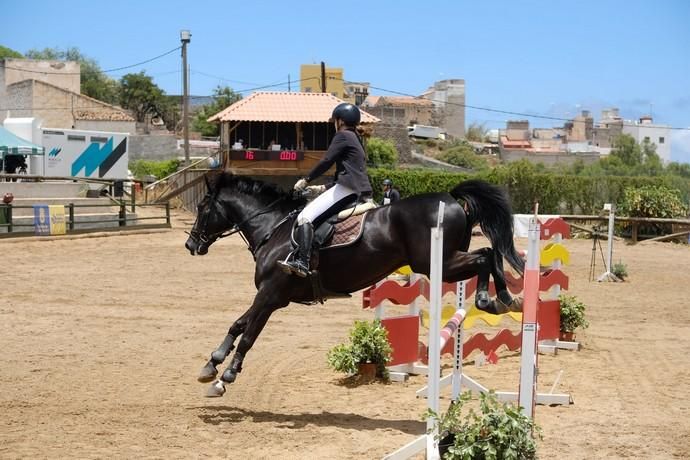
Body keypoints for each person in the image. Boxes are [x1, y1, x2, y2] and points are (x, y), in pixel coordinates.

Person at [277, 102, 373, 277]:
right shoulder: (355, 138)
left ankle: (302, 262)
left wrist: (306, 180)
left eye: (335, 121)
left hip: (347, 189)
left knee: (305, 216)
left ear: (341, 121)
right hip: (355, 188)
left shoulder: (343, 135)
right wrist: (322, 187)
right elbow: (346, 172)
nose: (334, 124)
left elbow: (326, 161)